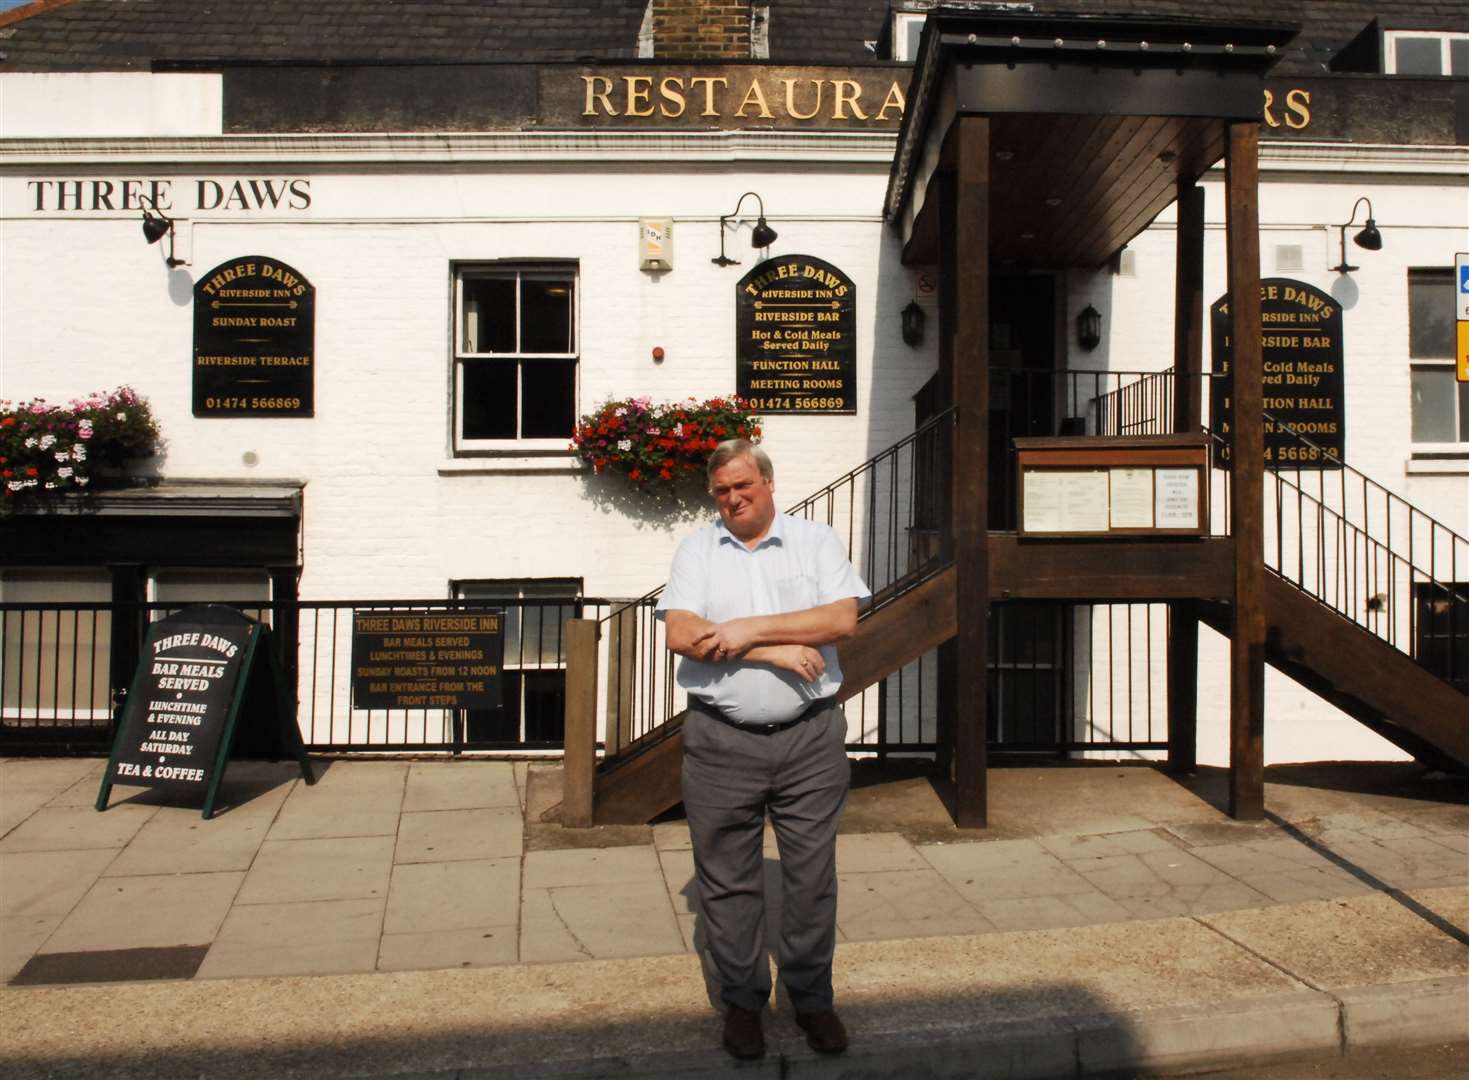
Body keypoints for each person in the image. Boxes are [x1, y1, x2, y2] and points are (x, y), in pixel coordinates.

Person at [656, 438, 869, 1061]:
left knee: (810, 879)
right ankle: (744, 1002)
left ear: (769, 484)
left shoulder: (814, 542)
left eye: (743, 485)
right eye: (721, 491)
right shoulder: (698, 549)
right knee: (726, 881)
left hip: (810, 738)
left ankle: (811, 1000)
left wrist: (746, 627)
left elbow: (841, 619)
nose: (733, 499)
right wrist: (769, 648)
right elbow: (681, 633)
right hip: (721, 743)